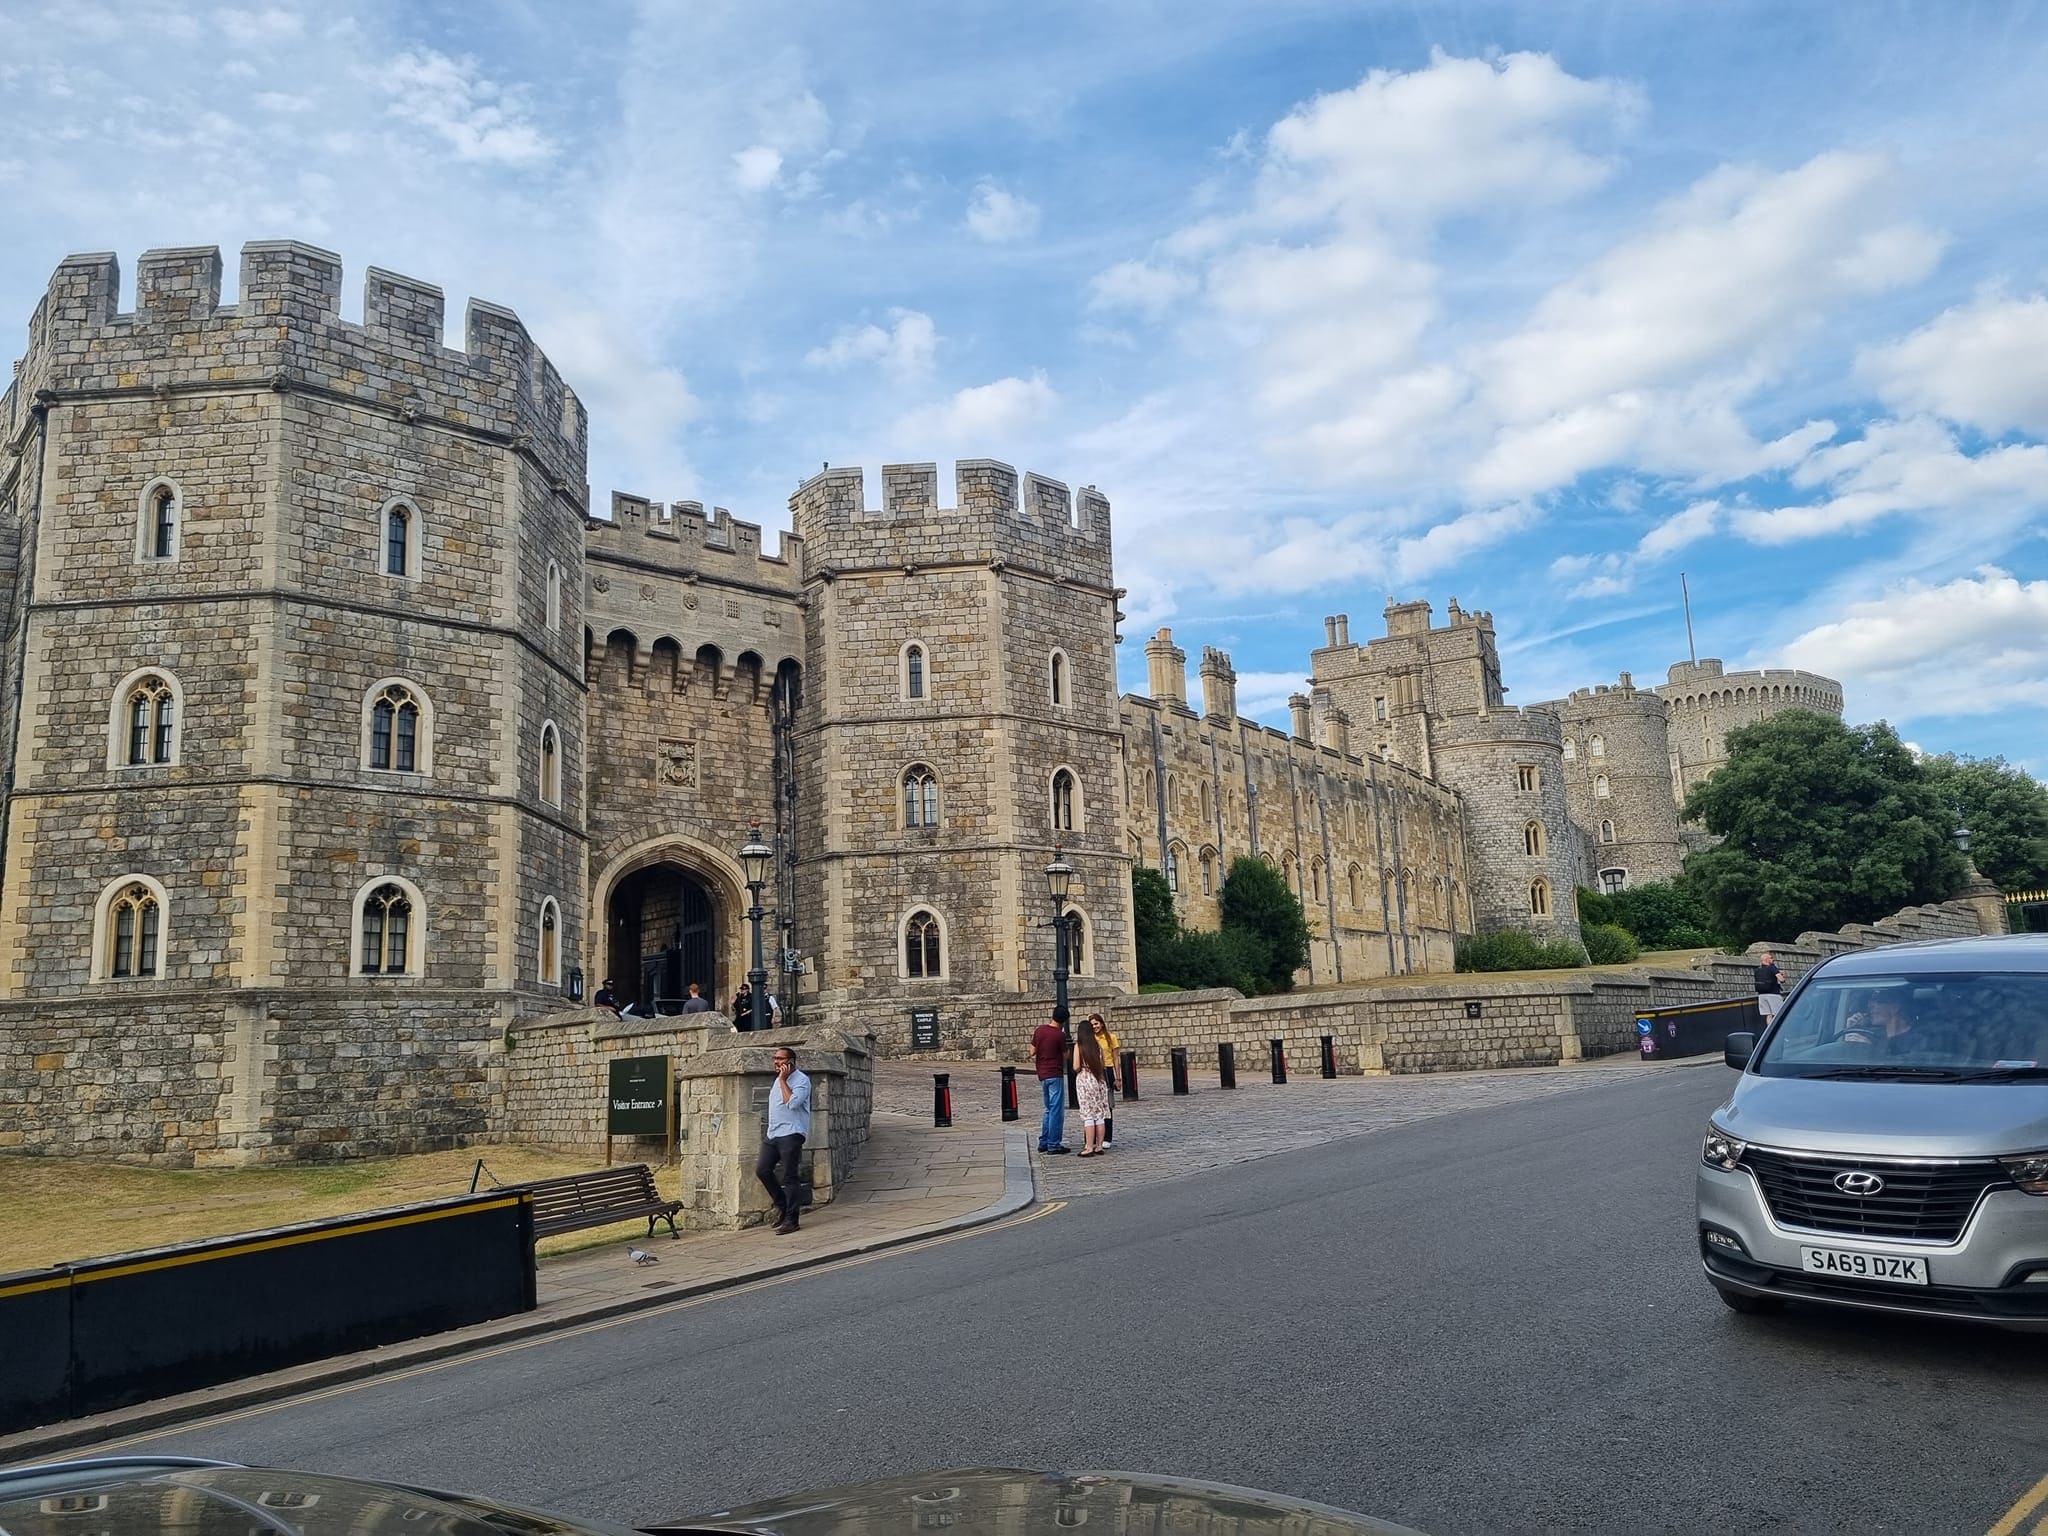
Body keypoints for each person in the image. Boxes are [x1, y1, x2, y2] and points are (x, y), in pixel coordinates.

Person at [755, 1045, 811, 1234]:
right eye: (775, 1058)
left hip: (792, 1133)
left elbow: (793, 1103)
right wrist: (780, 1080)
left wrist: (783, 1080)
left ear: (791, 1061)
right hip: (773, 1134)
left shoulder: (802, 1080)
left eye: (780, 1059)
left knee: (790, 1177)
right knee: (762, 1170)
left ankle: (792, 1220)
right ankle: (782, 1205)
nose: (776, 1062)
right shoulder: (777, 1080)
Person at [1031, 1007, 1070, 1155]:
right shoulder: (1059, 1035)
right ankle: (1054, 1144)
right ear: (1064, 1020)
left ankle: (1044, 1142)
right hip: (1055, 1073)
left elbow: (1032, 1051)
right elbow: (1066, 1056)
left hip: (1042, 1073)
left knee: (1048, 1109)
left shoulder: (1040, 1030)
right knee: (1056, 1110)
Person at [1072, 1021, 1111, 1157]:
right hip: (1098, 1079)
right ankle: (1099, 1146)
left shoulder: (1079, 1046)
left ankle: (1089, 1147)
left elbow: (1076, 1066)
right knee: (1099, 1114)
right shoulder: (1098, 1046)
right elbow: (1103, 1064)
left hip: (1085, 1078)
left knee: (1088, 1114)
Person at [1088, 1014, 1120, 1147]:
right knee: (1094, 1104)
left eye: (1096, 1024)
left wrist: (1118, 1077)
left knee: (1107, 1105)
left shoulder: (1111, 1037)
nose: (1094, 1027)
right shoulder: (1090, 1039)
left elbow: (1116, 1058)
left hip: (1107, 1070)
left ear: (1101, 1023)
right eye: (1092, 1025)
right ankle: (1094, 1136)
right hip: (1094, 1071)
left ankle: (1107, 1137)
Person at [1754, 951, 1787, 1021]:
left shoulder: (1757, 970)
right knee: (1779, 1013)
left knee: (1768, 1015)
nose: (1773, 960)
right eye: (1771, 958)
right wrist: (1783, 976)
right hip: (1773, 994)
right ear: (1767, 960)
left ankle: (1770, 1028)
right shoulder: (1772, 967)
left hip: (1761, 995)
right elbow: (1781, 980)